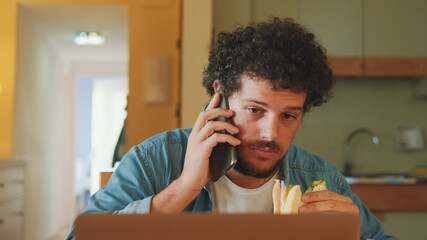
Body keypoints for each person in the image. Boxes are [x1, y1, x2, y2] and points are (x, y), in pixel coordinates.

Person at [66, 17, 397, 240]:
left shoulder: (317, 177)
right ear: (220, 96)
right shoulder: (154, 161)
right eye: (255, 110)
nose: (271, 133)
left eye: (289, 116)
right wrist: (182, 190)